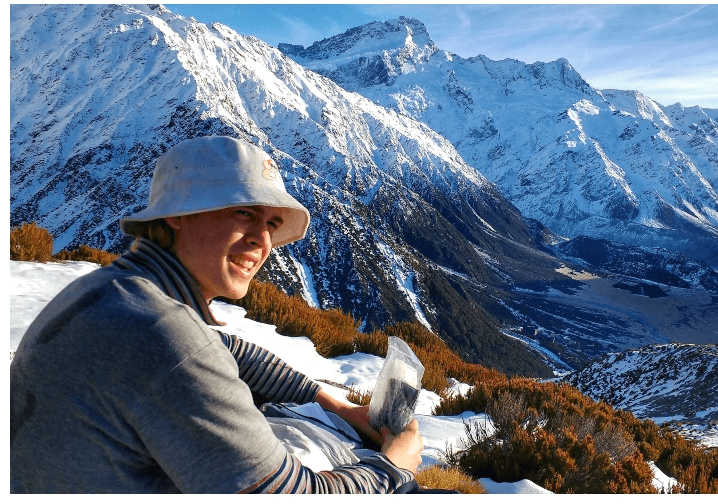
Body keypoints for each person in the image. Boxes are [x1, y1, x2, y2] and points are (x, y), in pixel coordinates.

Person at [10, 135, 424, 493]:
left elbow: (227, 349)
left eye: (273, 223)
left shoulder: (116, 291)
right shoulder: (165, 337)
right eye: (244, 213)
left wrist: (334, 406)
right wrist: (393, 468)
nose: (262, 242)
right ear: (178, 213)